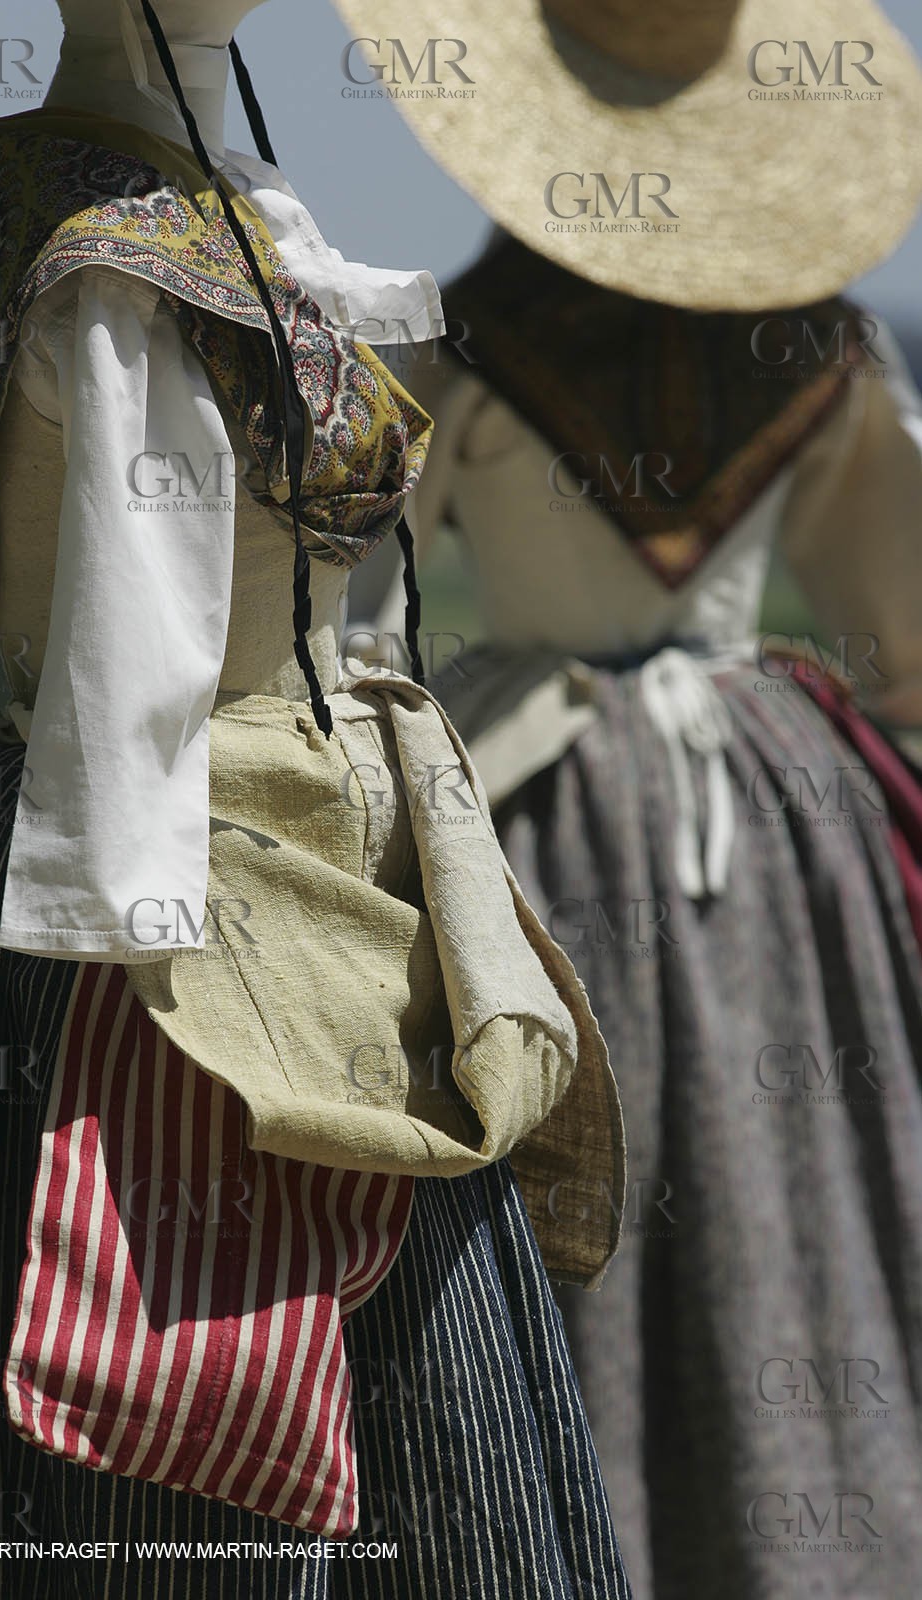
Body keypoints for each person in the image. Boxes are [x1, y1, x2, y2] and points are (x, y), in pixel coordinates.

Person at [0, 1, 632, 1596]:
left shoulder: (160, 201)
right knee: (198, 1417)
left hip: (232, 832)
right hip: (174, 889)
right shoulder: (114, 258)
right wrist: (163, 994)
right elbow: (135, 653)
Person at [333, 0, 922, 1594]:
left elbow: (355, 611)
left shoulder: (459, 338)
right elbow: (904, 636)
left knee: (538, 1181)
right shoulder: (822, 346)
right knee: (790, 1184)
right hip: (769, 821)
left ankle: (556, 1535)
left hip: (527, 802)